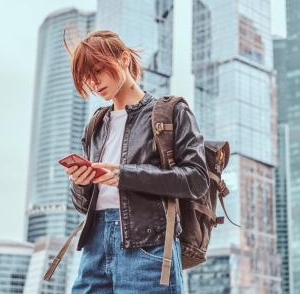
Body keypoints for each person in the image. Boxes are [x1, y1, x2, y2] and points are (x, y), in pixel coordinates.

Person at [64, 30, 209, 293]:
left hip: (148, 247)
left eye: (98, 70)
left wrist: (126, 175)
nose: (94, 82)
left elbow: (197, 179)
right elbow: (83, 204)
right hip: (94, 246)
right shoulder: (96, 124)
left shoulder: (171, 111)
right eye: (87, 78)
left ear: (122, 59)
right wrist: (81, 183)